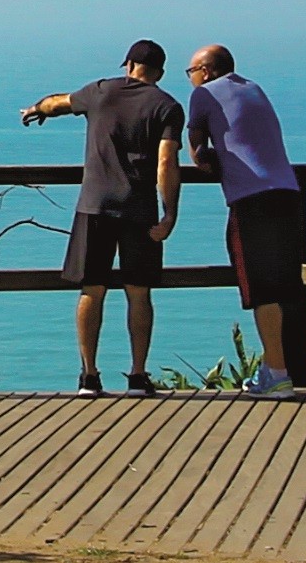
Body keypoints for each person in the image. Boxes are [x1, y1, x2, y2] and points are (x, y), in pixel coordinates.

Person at [21, 40, 185, 395]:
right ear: (159, 72)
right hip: (139, 210)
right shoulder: (167, 107)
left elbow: (58, 103)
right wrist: (170, 212)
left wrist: (37, 108)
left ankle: (89, 376)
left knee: (91, 290)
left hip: (94, 206)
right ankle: (138, 375)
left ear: (128, 65)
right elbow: (166, 163)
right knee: (139, 294)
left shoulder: (101, 91)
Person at [184, 45, 306, 393]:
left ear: (206, 72)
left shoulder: (204, 95)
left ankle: (278, 374)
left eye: (191, 72)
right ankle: (278, 368)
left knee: (261, 288)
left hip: (251, 199)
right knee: (283, 285)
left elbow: (197, 151)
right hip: (287, 192)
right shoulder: (254, 88)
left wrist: (208, 157)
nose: (191, 79)